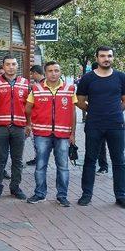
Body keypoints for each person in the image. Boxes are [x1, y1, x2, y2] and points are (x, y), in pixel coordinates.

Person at [76, 46, 125, 207]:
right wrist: (95, 110)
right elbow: (80, 101)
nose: (106, 59)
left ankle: (121, 195)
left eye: (109, 56)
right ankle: (86, 194)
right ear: (97, 58)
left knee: (119, 161)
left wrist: (116, 110)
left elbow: (124, 99)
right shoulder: (87, 78)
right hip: (94, 125)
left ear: (112, 58)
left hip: (116, 125)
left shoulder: (120, 77)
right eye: (103, 56)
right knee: (90, 160)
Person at [25, 61, 76, 206]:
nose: (53, 73)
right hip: (42, 134)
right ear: (45, 73)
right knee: (41, 165)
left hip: (63, 134)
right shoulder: (36, 88)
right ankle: (40, 194)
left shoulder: (69, 89)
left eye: (56, 70)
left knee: (63, 166)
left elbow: (73, 112)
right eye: (50, 71)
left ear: (60, 72)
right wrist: (29, 123)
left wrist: (72, 133)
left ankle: (62, 196)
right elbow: (28, 108)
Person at [0, 55, 29, 200]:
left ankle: (15, 187)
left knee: (17, 160)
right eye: (8, 64)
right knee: (0, 159)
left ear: (17, 66)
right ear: (3, 66)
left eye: (13, 64)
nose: (11, 67)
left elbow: (29, 107)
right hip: (0, 126)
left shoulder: (25, 83)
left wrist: (29, 125)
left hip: (19, 127)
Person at [25, 65, 44, 167]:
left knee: (36, 140)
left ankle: (39, 159)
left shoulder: (40, 86)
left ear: (36, 73)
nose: (32, 76)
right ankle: (38, 158)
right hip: (36, 118)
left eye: (32, 74)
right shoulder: (38, 85)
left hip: (38, 118)